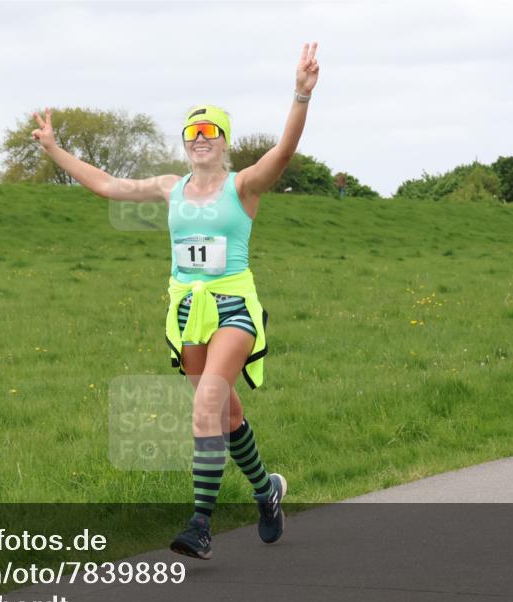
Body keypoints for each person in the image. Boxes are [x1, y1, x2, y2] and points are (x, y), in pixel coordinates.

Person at [31, 43, 320, 559]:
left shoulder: (244, 185)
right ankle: (266, 492)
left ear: (224, 142)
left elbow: (282, 151)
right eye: (192, 132)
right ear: (185, 144)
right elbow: (107, 185)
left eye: (210, 131)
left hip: (232, 308)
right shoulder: (171, 188)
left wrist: (301, 94)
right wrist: (54, 148)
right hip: (186, 313)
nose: (200, 138)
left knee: (207, 403)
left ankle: (200, 524)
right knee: (225, 413)